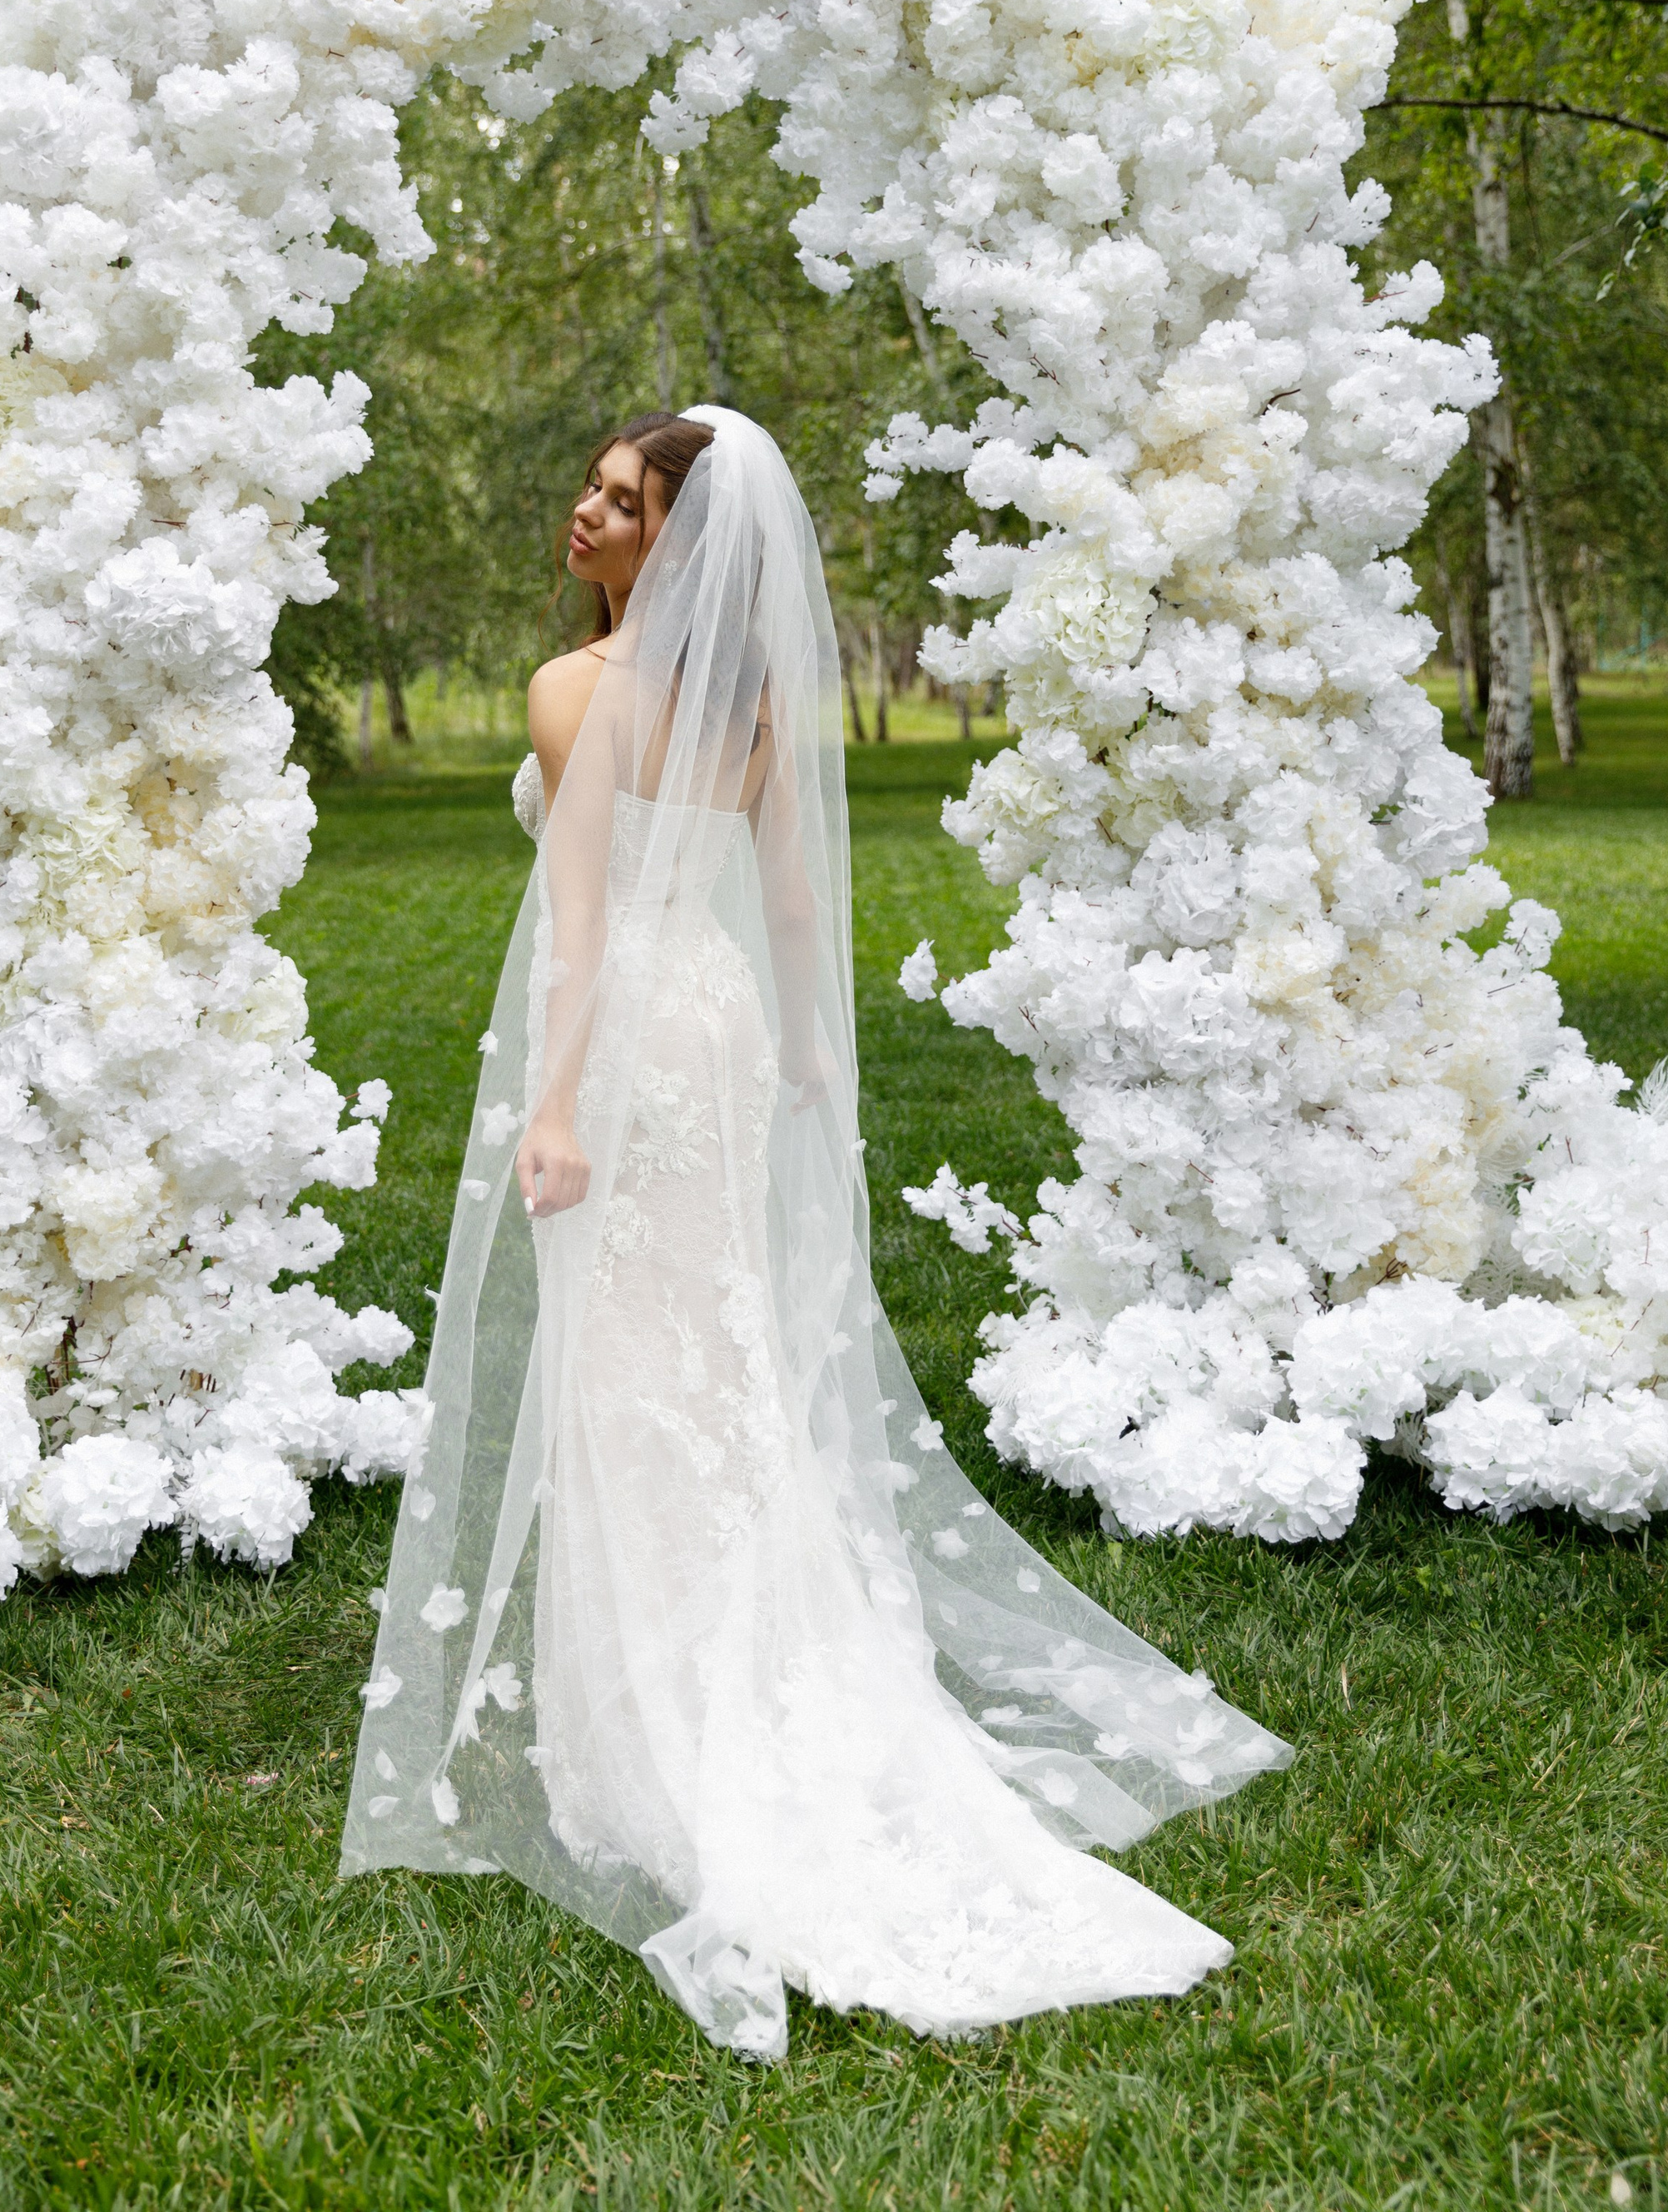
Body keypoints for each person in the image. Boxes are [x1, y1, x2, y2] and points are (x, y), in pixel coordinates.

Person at [341, 406, 1290, 2057]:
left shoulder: (578, 694)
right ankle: (731, 1664)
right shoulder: (754, 710)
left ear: (676, 541)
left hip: (630, 1037)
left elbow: (575, 927)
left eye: (619, 499)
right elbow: (785, 909)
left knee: (630, 1366)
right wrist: (797, 1058)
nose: (583, 509)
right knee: (706, 1346)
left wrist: (551, 1110)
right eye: (591, 484)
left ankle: (641, 1721)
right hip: (712, 1029)